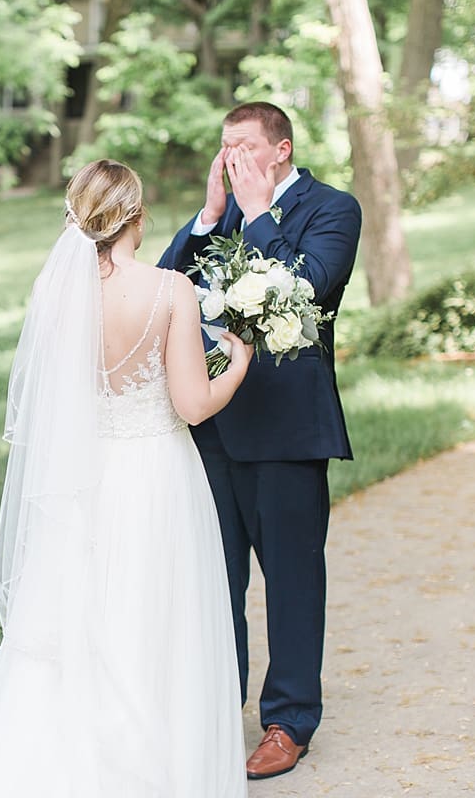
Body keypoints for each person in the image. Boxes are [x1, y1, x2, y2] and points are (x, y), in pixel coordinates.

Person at [0, 160, 253, 798]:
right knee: (156, 623)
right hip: (157, 475)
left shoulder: (57, 292)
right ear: (137, 218)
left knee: (81, 621)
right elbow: (193, 404)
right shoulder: (171, 291)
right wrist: (241, 363)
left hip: (85, 477)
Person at [157, 101, 362, 780]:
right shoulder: (220, 215)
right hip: (212, 423)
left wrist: (260, 212)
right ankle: (219, 709)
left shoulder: (332, 209)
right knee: (215, 583)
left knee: (293, 584)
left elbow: (308, 293)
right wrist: (214, 215)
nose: (231, 159)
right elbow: (163, 289)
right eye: (224, 148)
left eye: (244, 147)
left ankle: (290, 721)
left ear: (281, 150)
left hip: (288, 431)